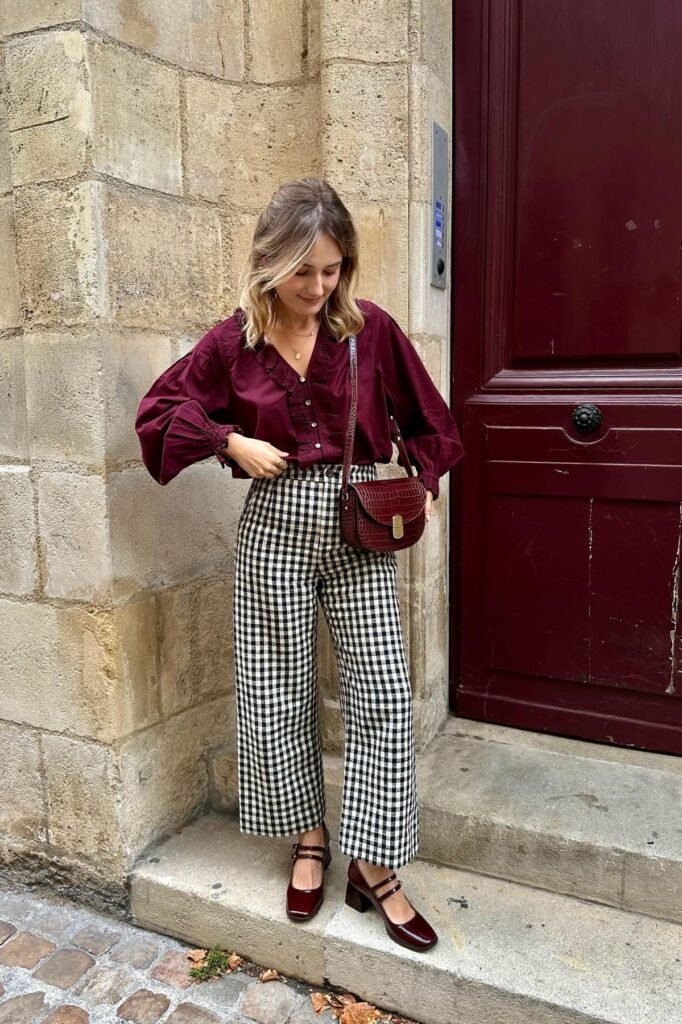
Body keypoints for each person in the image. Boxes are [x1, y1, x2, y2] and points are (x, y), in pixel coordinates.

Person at [135, 178, 463, 953]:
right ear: (269, 265)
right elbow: (159, 412)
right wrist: (227, 441)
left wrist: (416, 479)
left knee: (382, 692)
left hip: (359, 524)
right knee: (275, 692)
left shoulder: (370, 329)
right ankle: (309, 839)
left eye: (332, 270)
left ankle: (374, 866)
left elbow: (432, 422)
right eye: (304, 272)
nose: (319, 288)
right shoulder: (233, 343)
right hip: (274, 525)